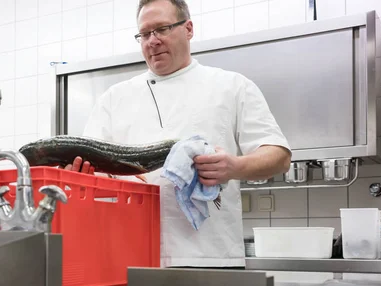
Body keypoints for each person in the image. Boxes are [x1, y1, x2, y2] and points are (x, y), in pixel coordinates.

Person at [65, 0, 292, 268]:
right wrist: (81, 176)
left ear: (188, 29)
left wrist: (234, 166)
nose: (152, 41)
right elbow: (92, 175)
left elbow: (278, 156)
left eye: (162, 29)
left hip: (211, 257)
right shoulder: (113, 99)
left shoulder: (231, 86)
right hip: (131, 257)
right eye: (144, 34)